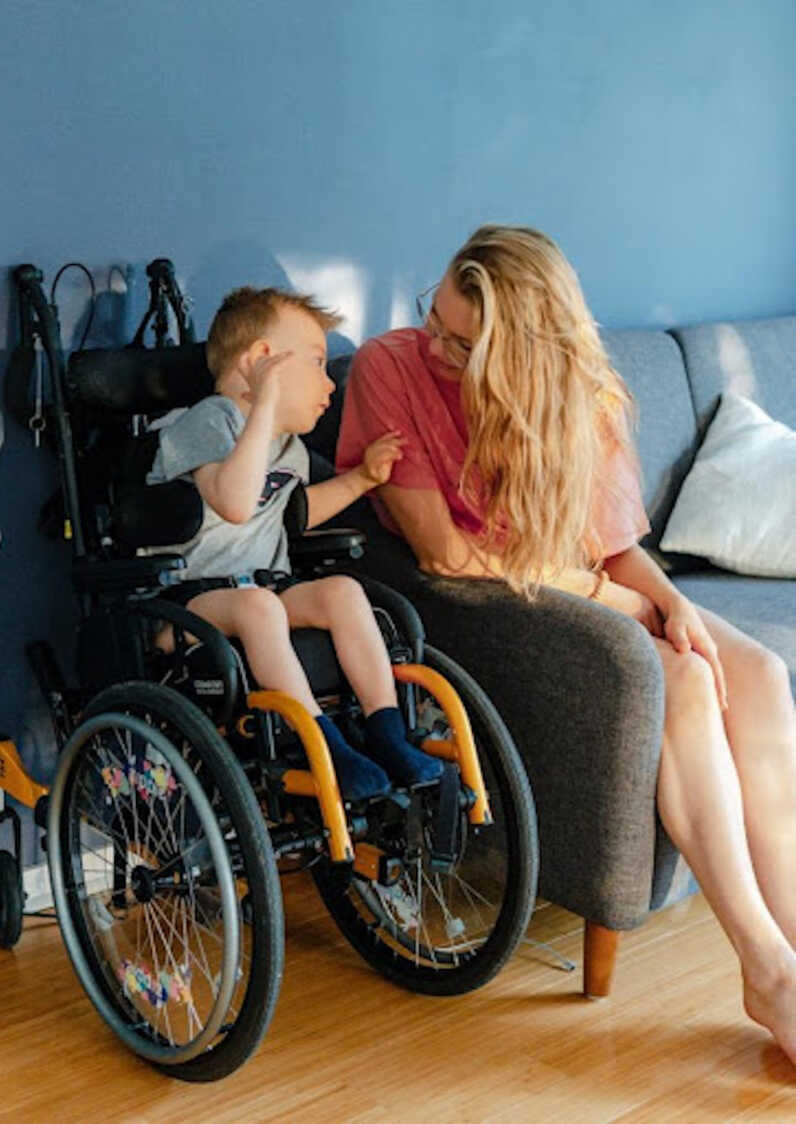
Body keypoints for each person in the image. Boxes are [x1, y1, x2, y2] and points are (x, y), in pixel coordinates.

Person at [336, 225, 796, 1063]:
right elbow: (444, 554)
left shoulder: (583, 394)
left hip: (590, 587)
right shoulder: (390, 370)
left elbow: (615, 543)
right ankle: (765, 969)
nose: (432, 342)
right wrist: (615, 598)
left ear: (522, 354)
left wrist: (664, 600)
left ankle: (794, 951)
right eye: (433, 317)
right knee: (683, 685)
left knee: (759, 673)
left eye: (461, 341)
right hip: (500, 614)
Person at [146, 285, 443, 801]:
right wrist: (264, 405)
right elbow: (235, 502)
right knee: (260, 608)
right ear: (263, 360)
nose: (329, 384)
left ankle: (387, 731)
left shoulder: (287, 446)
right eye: (318, 364)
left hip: (263, 588)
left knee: (344, 591)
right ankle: (323, 745)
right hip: (186, 604)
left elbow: (293, 515)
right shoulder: (209, 420)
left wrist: (364, 479)